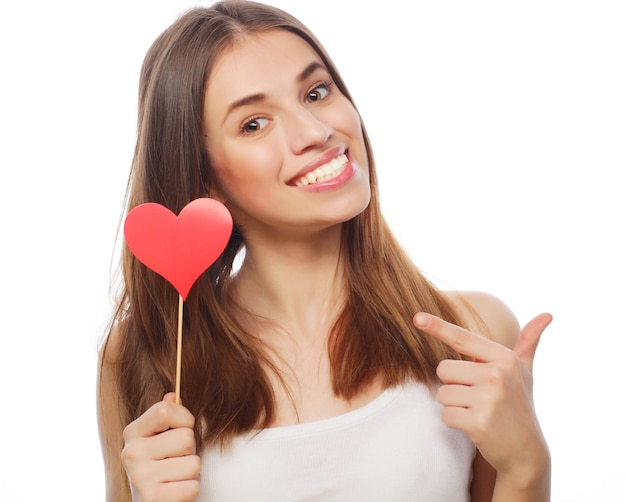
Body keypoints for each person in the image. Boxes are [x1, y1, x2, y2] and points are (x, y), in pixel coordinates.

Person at [97, 1, 552, 501]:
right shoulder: (144, 355)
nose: (316, 132)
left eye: (316, 92)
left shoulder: (474, 333)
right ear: (206, 181)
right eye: (254, 123)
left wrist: (527, 468)